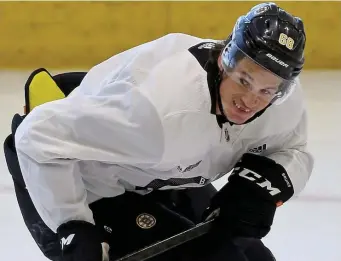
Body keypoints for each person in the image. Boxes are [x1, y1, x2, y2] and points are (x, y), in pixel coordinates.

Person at [3, 2, 313, 261]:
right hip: (78, 182)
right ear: (226, 59)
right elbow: (35, 136)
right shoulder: (157, 111)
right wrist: (73, 224)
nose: (250, 101)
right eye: (245, 80)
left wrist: (263, 185)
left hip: (162, 176)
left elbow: (293, 149)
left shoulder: (279, 103)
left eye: (267, 90)